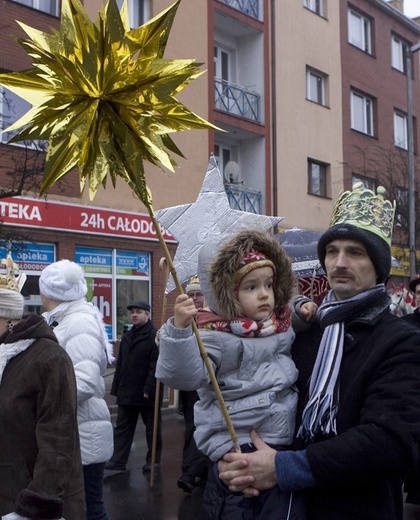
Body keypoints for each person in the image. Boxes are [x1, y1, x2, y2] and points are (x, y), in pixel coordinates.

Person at [218, 185, 420, 520]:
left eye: (355, 252)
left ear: (378, 266)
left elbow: (390, 443)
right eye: (332, 251)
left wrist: (284, 467)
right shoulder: (306, 331)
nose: (339, 263)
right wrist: (236, 457)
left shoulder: (401, 341)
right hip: (287, 507)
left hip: (358, 509)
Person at [156, 229, 315, 519]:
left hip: (281, 437)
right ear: (226, 294)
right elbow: (183, 376)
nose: (264, 294)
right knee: (242, 507)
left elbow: (288, 312)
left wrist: (302, 305)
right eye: (251, 287)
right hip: (237, 441)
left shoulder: (276, 322)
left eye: (268, 284)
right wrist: (178, 332)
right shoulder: (212, 336)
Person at [0, 255, 85, 520]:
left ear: (7, 316)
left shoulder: (49, 358)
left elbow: (58, 441)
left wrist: (35, 505)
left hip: (31, 500)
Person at [39, 260, 113, 520]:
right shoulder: (63, 320)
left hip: (85, 436)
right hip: (76, 433)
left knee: (90, 510)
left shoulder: (78, 322)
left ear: (49, 292)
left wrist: (41, 399)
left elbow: (85, 381)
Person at [105, 300, 162, 473]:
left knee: (152, 429)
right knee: (122, 427)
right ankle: (118, 460)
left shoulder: (155, 336)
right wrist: (116, 387)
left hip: (146, 393)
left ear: (147, 314)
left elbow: (156, 365)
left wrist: (149, 389)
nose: (134, 315)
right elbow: (121, 364)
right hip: (127, 391)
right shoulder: (128, 336)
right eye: (132, 312)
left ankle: (153, 461)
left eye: (138, 312)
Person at [177, 275, 211, 493]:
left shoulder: (210, 318)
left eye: (199, 294)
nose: (195, 298)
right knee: (191, 427)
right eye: (192, 294)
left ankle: (193, 472)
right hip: (189, 383)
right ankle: (190, 469)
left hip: (207, 380)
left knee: (204, 426)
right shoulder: (183, 317)